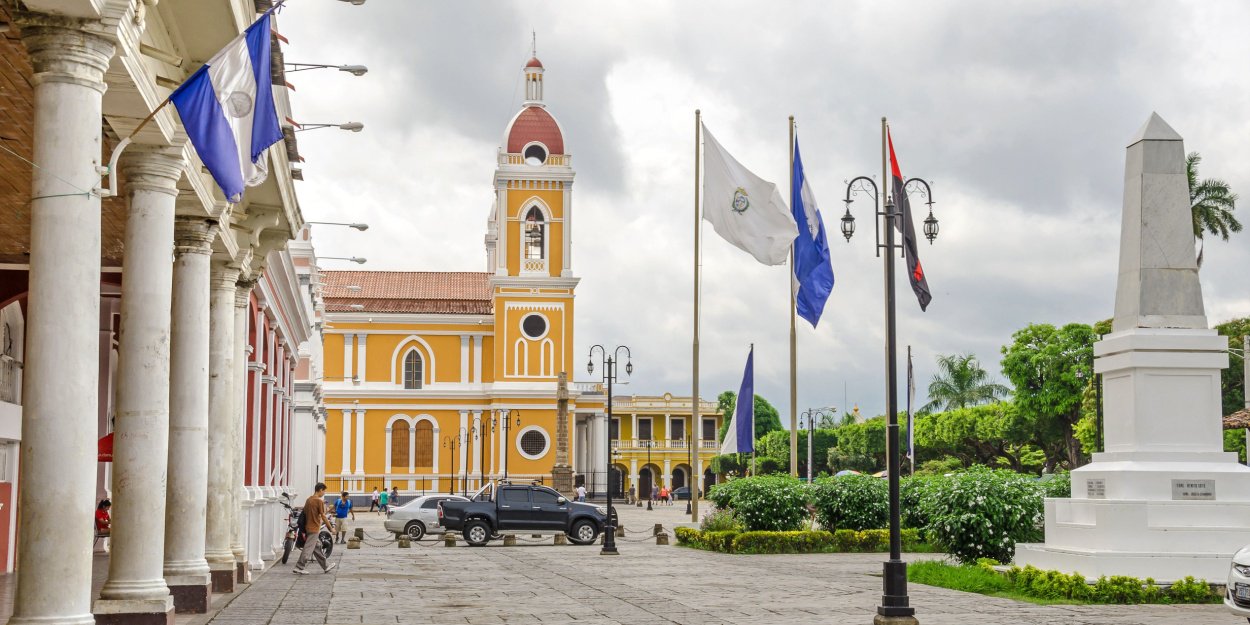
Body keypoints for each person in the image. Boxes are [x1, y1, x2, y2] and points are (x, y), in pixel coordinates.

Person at [293, 482, 337, 575]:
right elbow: (323, 516)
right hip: (314, 527)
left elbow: (304, 513)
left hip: (308, 527)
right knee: (308, 548)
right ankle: (299, 566)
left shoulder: (308, 500)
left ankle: (326, 566)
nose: (324, 493)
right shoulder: (319, 501)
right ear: (320, 490)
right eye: (324, 491)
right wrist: (331, 528)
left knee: (317, 547)